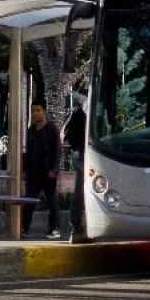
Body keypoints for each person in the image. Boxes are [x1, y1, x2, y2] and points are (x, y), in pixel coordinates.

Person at [22, 100, 63, 239]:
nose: (35, 113)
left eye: (38, 110)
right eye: (33, 110)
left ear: (44, 111)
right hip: (33, 173)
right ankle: (24, 228)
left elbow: (57, 151)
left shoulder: (52, 129)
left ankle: (55, 228)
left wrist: (54, 169)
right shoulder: (31, 131)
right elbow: (27, 152)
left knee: (51, 200)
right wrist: (24, 170)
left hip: (48, 172)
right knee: (29, 201)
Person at [65, 93, 88, 240]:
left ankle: (78, 227)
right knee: (81, 191)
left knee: (79, 190)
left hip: (78, 152)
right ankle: (77, 227)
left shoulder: (80, 107)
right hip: (82, 153)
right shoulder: (88, 106)